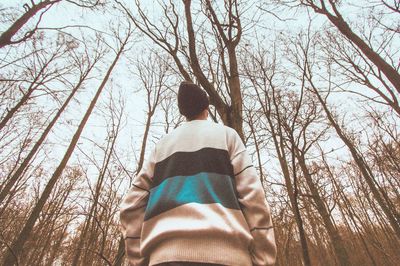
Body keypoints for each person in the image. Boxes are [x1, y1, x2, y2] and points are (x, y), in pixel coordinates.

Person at [120, 81, 276, 266]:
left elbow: (130, 205)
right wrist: (263, 260)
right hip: (229, 258)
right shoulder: (227, 136)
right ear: (206, 109)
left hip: (165, 260)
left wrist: (142, 260)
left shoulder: (162, 147)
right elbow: (253, 198)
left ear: (184, 113)